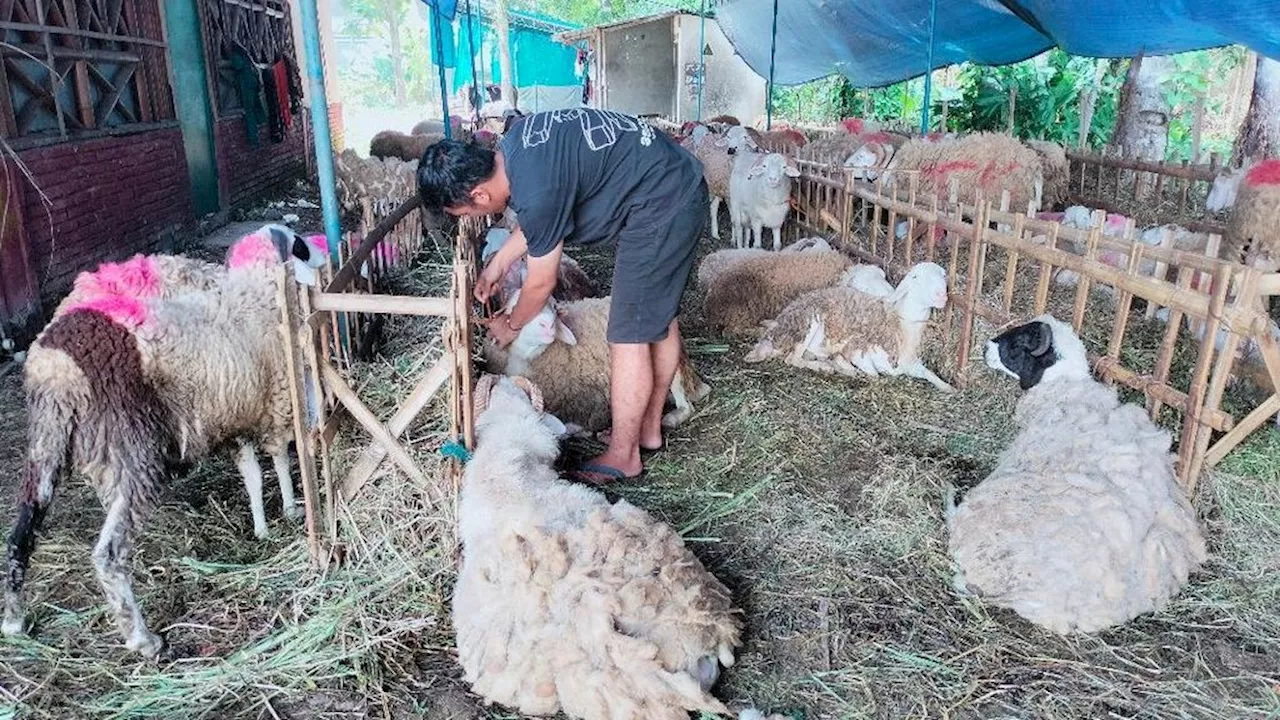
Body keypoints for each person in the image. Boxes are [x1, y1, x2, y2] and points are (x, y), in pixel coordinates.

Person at [417, 108, 707, 484]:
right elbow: (542, 222)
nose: (475, 217)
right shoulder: (517, 148)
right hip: (673, 182)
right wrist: (500, 263)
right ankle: (648, 430)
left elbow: (540, 283)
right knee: (657, 317)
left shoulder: (535, 191)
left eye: (468, 212)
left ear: (479, 193)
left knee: (628, 333)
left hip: (664, 204)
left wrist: (511, 324)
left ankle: (625, 455)